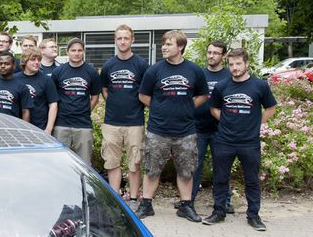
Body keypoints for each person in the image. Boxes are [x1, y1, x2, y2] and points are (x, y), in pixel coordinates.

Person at [136, 30, 209, 222]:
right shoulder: (155, 70)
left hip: (185, 132)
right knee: (152, 169)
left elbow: (203, 95)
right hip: (157, 131)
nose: (164, 47)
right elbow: (143, 95)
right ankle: (146, 205)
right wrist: (160, 107)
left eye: (169, 44)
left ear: (181, 47)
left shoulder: (194, 70)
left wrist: (187, 107)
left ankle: (186, 206)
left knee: (186, 171)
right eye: (164, 44)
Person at [202, 48, 277, 231]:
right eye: (231, 64)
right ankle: (218, 212)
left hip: (249, 142)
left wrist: (255, 123)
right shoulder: (222, 86)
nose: (234, 68)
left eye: (238, 64)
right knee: (220, 178)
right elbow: (213, 108)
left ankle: (253, 215)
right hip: (225, 140)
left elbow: (270, 108)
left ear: (247, 64)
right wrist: (227, 121)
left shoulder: (259, 86)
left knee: (251, 180)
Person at [100, 25, 149, 203]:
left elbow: (146, 92)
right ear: (115, 40)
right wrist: (114, 103)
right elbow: (105, 90)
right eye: (119, 38)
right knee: (111, 162)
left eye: (126, 38)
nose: (122, 41)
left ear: (132, 40)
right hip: (111, 122)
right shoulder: (108, 65)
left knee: (135, 163)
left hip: (134, 122)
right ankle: (116, 199)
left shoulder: (142, 65)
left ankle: (134, 198)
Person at [191, 40, 233, 211]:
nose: (211, 56)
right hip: (197, 128)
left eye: (216, 53)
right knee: (194, 167)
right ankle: (188, 201)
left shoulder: (229, 76)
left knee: (221, 167)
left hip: (220, 130)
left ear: (223, 55)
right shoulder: (198, 74)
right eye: (209, 52)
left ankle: (225, 202)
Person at [51, 38, 101, 164]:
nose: (76, 53)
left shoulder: (91, 72)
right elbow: (53, 98)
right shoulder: (58, 72)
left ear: (83, 51)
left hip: (83, 124)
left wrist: (86, 110)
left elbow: (95, 97)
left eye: (79, 50)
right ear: (67, 52)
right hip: (61, 123)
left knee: (84, 164)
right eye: (73, 50)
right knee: (60, 162)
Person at [17, 49, 58, 134]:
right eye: (33, 59)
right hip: (18, 126)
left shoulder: (46, 80)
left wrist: (49, 129)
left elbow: (53, 105)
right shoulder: (15, 79)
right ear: (25, 61)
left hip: (40, 127)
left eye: (39, 60)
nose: (37, 62)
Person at [0, 52, 32, 120]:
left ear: (14, 66)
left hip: (13, 127)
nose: (3, 66)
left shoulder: (21, 86)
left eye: (6, 64)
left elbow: (25, 112)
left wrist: (25, 129)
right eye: (0, 64)